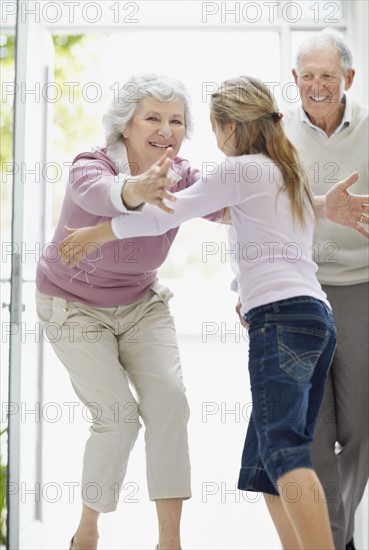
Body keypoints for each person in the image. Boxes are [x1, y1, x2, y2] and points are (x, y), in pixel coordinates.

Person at [59, 75, 369, 549]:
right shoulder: (285, 170)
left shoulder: (240, 169)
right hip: (313, 319)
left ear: (227, 127)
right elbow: (273, 236)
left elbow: (165, 212)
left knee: (284, 454)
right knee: (265, 467)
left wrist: (95, 235)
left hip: (283, 321)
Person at [35, 74, 225, 550]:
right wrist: (140, 187)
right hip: (72, 306)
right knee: (118, 418)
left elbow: (240, 205)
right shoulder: (89, 167)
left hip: (141, 304)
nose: (166, 129)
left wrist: (320, 205)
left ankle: (169, 543)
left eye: (176, 120)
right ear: (126, 126)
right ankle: (87, 531)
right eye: (153, 118)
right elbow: (107, 195)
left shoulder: (183, 176)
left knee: (169, 403)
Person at [282, 29, 369, 550]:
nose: (317, 87)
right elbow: (251, 214)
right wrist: (244, 287)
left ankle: (339, 530)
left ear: (349, 79)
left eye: (328, 77)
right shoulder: (276, 135)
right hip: (299, 288)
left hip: (361, 285)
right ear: (295, 79)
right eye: (308, 76)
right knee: (313, 430)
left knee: (362, 425)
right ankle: (333, 542)